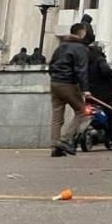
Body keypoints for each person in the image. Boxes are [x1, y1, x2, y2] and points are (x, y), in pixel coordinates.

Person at [48, 23, 92, 157]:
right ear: (82, 33)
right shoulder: (81, 48)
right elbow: (81, 70)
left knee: (57, 117)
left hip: (55, 83)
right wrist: (85, 89)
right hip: (68, 84)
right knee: (83, 112)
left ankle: (55, 147)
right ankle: (64, 140)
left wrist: (55, 78)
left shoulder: (60, 47)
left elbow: (51, 65)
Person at [86, 43, 112, 150]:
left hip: (89, 95)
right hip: (104, 96)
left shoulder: (85, 62)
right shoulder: (99, 59)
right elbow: (105, 71)